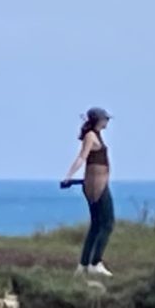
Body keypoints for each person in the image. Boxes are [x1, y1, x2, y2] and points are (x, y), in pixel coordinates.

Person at [59, 108, 115, 278]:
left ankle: (83, 265)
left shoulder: (97, 134)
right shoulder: (91, 136)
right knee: (107, 223)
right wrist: (68, 176)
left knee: (96, 225)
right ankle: (95, 262)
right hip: (97, 185)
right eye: (105, 119)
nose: (107, 122)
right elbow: (82, 157)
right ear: (98, 120)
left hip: (98, 182)